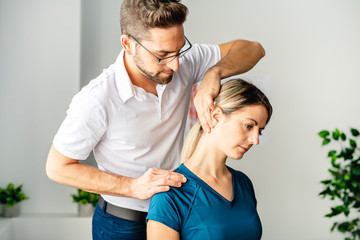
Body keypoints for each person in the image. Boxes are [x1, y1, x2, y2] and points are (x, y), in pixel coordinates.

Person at [45, 0, 265, 239]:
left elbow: (253, 48)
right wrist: (132, 186)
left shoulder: (183, 63)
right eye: (163, 55)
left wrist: (215, 72)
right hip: (123, 223)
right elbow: (57, 168)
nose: (176, 63)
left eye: (180, 49)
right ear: (128, 44)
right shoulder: (96, 99)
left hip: (177, 213)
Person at [147, 79, 273, 240]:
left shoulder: (243, 184)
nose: (255, 140)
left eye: (260, 131)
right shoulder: (170, 195)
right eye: (249, 126)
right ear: (216, 116)